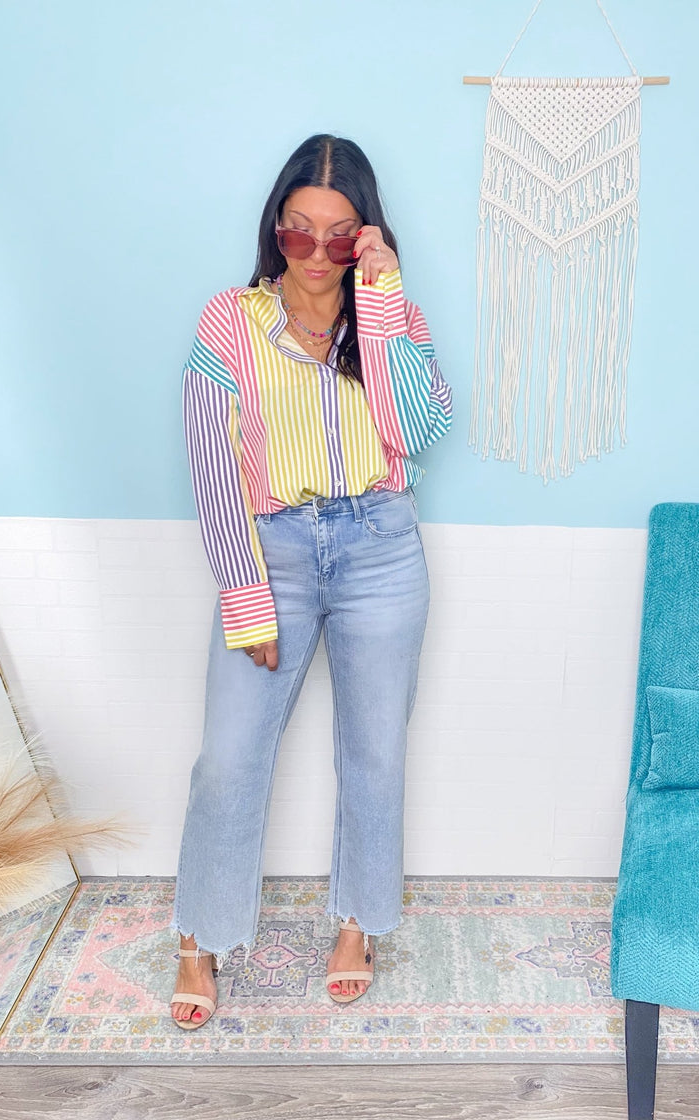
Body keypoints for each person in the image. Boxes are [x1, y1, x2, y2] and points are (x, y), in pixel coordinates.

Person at [170, 134, 452, 1029]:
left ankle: (357, 926)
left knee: (375, 754)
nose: (318, 253)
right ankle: (199, 937)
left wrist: (385, 297)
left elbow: (418, 429)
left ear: (365, 238)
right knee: (229, 758)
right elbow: (212, 466)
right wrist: (246, 595)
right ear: (276, 230)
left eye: (340, 235)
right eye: (300, 232)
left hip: (381, 544)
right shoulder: (231, 322)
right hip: (275, 549)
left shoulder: (390, 316)